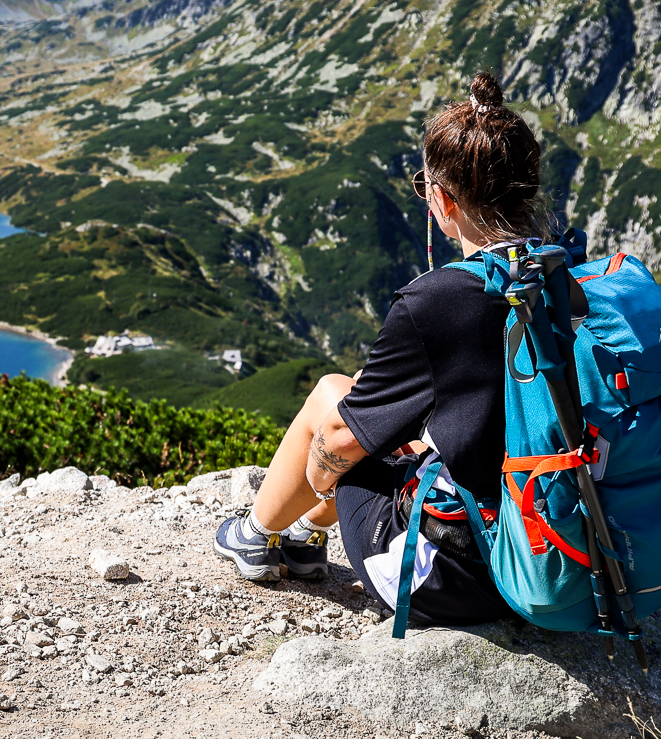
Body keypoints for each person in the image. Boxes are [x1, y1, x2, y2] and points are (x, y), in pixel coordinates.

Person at [213, 71, 543, 624]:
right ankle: (302, 537)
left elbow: (338, 447)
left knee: (332, 399)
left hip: (467, 577)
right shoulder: (574, 277)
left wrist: (333, 474)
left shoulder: (438, 300)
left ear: (442, 200)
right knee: (387, 429)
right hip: (567, 553)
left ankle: (256, 533)